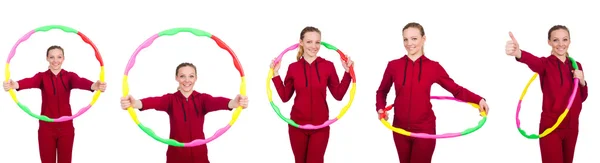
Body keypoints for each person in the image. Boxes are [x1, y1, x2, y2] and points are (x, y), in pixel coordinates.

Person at [375, 22, 490, 163]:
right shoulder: (393, 66)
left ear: (423, 39)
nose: (409, 43)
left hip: (424, 128)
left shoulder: (433, 67)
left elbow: (456, 90)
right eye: (405, 39)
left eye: (414, 38)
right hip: (399, 128)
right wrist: (381, 108)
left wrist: (478, 100)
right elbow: (382, 91)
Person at [119, 62, 249, 163]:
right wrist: (134, 103)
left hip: (199, 156)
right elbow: (154, 102)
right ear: (176, 78)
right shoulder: (170, 100)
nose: (187, 80)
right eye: (182, 76)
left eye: (191, 76)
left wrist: (234, 102)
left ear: (196, 78)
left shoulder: (202, 99)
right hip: (176, 156)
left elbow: (217, 102)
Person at [2, 45, 107, 163]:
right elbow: (30, 81)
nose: (55, 60)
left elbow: (80, 81)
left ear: (63, 59)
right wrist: (14, 84)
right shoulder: (41, 77)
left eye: (59, 57)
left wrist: (95, 85)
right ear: (47, 58)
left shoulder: (70, 76)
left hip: (66, 127)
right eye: (52, 57)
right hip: (46, 127)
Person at [269, 26, 354, 163]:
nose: (314, 46)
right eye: (309, 42)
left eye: (317, 42)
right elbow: (285, 97)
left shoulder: (328, 66)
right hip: (297, 126)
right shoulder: (293, 68)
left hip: (320, 126)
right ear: (301, 42)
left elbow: (338, 95)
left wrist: (348, 73)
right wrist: (276, 74)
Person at [505, 25, 588, 163]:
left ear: (569, 41)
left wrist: (582, 81)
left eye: (564, 39)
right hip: (551, 127)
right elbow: (532, 61)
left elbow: (582, 98)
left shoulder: (576, 65)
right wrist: (519, 53)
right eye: (556, 40)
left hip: (572, 126)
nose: (561, 44)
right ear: (549, 42)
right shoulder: (545, 64)